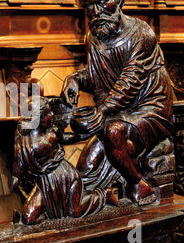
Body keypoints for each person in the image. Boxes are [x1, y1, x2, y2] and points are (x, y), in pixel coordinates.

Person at [61, 0, 174, 205]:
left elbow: (129, 81)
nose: (96, 13)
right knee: (86, 166)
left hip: (151, 109)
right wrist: (74, 80)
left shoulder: (142, 34)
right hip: (118, 112)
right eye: (89, 8)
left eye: (103, 4)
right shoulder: (93, 38)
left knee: (112, 133)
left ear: (118, 0)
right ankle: (90, 201)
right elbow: (96, 78)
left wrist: (101, 112)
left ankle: (136, 184)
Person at [13, 96, 117, 224]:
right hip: (44, 183)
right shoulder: (24, 140)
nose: (52, 116)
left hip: (66, 177)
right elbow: (19, 160)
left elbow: (65, 138)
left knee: (75, 211)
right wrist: (16, 177)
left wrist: (83, 135)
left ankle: (104, 196)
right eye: (48, 113)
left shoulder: (51, 132)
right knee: (28, 218)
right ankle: (51, 221)